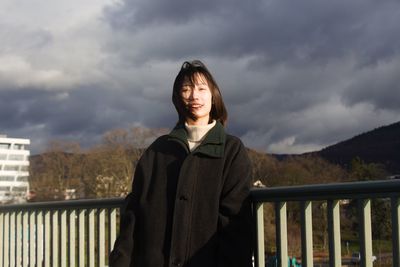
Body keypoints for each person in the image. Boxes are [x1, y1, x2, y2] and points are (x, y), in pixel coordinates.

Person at [109, 60, 253, 267]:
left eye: (202, 89)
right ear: (178, 98)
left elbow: (235, 224)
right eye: (186, 89)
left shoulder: (231, 150)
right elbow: (133, 216)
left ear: (214, 97)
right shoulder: (156, 151)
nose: (194, 96)